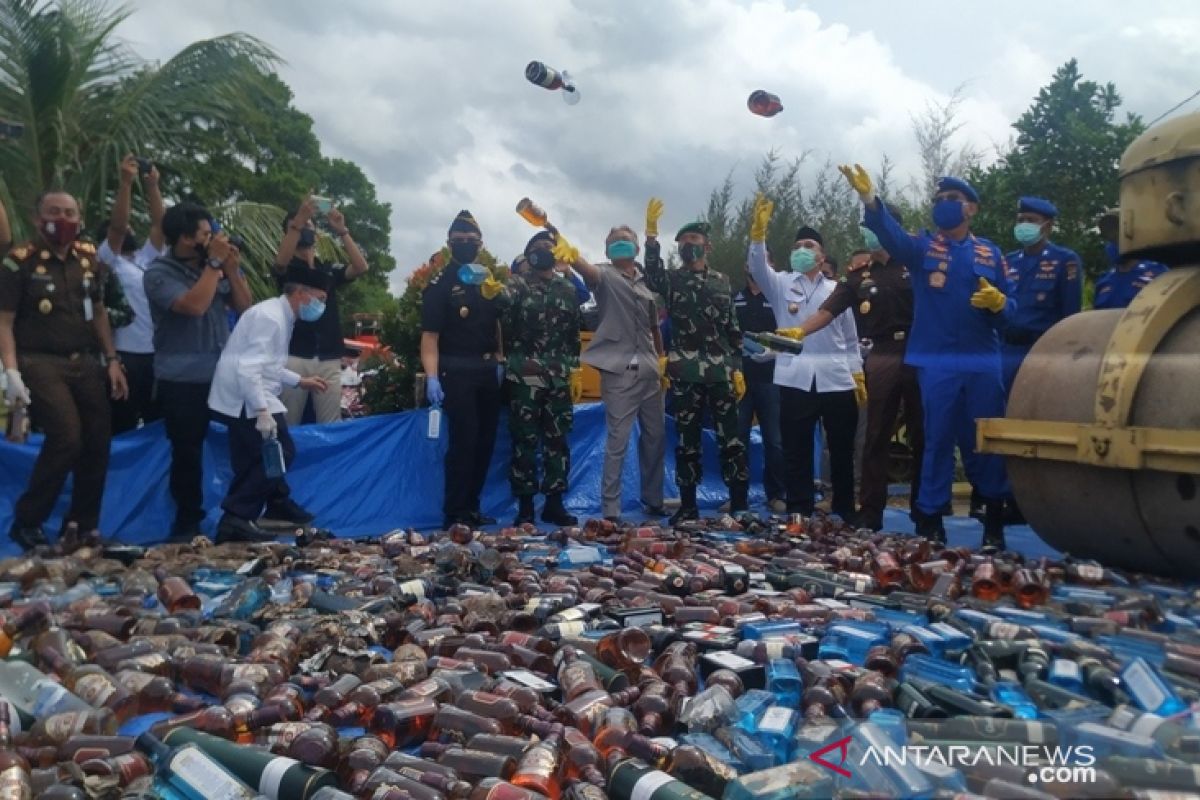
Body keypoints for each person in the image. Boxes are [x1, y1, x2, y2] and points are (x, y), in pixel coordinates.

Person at [839, 165, 1014, 547]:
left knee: (984, 441)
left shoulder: (991, 253)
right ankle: (931, 520)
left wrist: (1000, 304)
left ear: (972, 209)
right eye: (939, 200)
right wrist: (871, 200)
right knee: (936, 440)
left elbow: (1014, 312)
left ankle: (993, 520)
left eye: (953, 200)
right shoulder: (922, 248)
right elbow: (891, 235)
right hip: (936, 364)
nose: (944, 206)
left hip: (983, 362)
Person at [0, 189, 129, 550]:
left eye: (70, 212)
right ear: (38, 219)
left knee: (97, 439)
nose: (63, 219)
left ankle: (82, 526)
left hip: (84, 359)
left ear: (81, 217)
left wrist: (112, 359)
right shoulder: (19, 262)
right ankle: (28, 521)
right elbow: (4, 321)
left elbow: (100, 312)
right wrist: (10, 373)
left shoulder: (87, 259)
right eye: (54, 212)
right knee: (66, 435)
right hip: (37, 360)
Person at [784, 209, 923, 532]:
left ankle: (925, 513)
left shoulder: (916, 263)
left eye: (873, 227)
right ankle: (871, 513)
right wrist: (799, 331)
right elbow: (829, 309)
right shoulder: (859, 275)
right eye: (865, 228)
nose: (868, 234)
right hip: (882, 353)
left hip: (920, 350)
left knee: (922, 435)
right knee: (874, 436)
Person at [746, 199, 864, 520]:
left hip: (836, 376)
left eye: (808, 245)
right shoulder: (782, 283)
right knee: (795, 449)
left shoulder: (837, 289)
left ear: (822, 256)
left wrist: (858, 375)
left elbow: (851, 337)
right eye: (797, 245)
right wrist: (757, 235)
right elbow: (757, 267)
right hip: (794, 376)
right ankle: (799, 509)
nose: (801, 249)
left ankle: (843, 509)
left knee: (841, 448)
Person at [144, 202, 253, 541]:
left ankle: (242, 513)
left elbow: (245, 306)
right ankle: (187, 520)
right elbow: (193, 306)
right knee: (187, 451)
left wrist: (231, 269)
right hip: (182, 379)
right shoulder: (159, 272)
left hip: (222, 373)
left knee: (253, 436)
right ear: (185, 238)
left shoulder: (214, 268)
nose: (213, 239)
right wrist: (215, 264)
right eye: (206, 234)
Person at [641, 201, 749, 525]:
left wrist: (738, 368)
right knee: (687, 442)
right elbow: (652, 277)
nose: (689, 246)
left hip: (720, 372)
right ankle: (688, 506)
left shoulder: (722, 282)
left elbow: (732, 328)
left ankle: (740, 504)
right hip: (685, 372)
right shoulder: (671, 280)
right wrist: (650, 240)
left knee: (731, 440)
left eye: (694, 240)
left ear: (707, 245)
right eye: (683, 242)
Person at [208, 265, 331, 543]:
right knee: (281, 451)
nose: (321, 306)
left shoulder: (281, 315)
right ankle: (237, 515)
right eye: (320, 299)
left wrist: (299, 380)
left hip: (250, 390)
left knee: (253, 457)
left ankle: (260, 509)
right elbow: (248, 369)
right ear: (301, 293)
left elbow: (270, 365)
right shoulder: (271, 318)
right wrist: (262, 412)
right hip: (245, 394)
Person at [555, 224, 667, 524]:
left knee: (655, 438)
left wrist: (662, 359)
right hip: (620, 373)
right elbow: (585, 269)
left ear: (637, 248)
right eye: (615, 242)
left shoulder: (645, 285)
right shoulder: (604, 276)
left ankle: (654, 500)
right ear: (606, 251)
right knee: (618, 441)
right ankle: (611, 509)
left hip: (650, 371)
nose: (621, 245)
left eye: (626, 241)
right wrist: (570, 252)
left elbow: (654, 327)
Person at [493, 231, 583, 526]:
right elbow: (500, 307)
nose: (543, 249)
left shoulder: (567, 288)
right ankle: (526, 507)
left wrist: (574, 367)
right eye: (537, 246)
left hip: (558, 376)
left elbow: (573, 332)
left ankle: (554, 504)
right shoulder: (516, 284)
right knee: (525, 442)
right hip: (524, 376)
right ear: (528, 254)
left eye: (548, 246)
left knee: (558, 443)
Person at [421, 210, 503, 529]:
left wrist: (499, 357)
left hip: (486, 370)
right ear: (449, 244)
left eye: (471, 240)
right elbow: (429, 337)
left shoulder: (488, 281)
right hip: (455, 370)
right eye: (460, 241)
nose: (466, 244)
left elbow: (497, 324)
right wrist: (431, 376)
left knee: (485, 442)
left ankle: (473, 507)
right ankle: (455, 512)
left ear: (481, 244)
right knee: (463, 442)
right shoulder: (441, 285)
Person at [274, 195, 369, 425]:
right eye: (297, 227)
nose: (303, 229)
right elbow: (279, 265)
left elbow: (361, 267)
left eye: (309, 225)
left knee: (330, 424)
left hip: (328, 356)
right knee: (289, 422)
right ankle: (287, 460)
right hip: (294, 354)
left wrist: (342, 230)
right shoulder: (287, 268)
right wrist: (298, 222)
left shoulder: (326, 269)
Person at [97, 154, 166, 434]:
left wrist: (152, 187)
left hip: (156, 355)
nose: (128, 229)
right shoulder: (107, 260)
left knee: (156, 423)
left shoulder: (145, 259)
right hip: (125, 353)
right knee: (122, 423)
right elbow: (117, 227)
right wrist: (126, 183)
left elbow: (160, 226)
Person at [1000, 196, 1082, 395]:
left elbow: (1070, 314)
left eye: (1031, 220)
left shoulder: (1065, 261)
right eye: (1020, 220)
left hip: (1042, 351)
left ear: (1048, 226)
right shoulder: (1008, 261)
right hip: (1006, 351)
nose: (1024, 225)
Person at [733, 267, 786, 513]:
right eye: (751, 263)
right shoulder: (735, 298)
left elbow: (787, 334)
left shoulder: (778, 299)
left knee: (774, 441)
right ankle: (737, 497)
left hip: (771, 378)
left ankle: (776, 494)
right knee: (737, 440)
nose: (754, 268)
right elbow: (727, 334)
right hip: (740, 380)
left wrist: (764, 345)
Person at [1094, 208, 1169, 310]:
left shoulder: (1157, 273)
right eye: (1108, 233)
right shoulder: (1104, 281)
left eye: (1117, 231)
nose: (1113, 237)